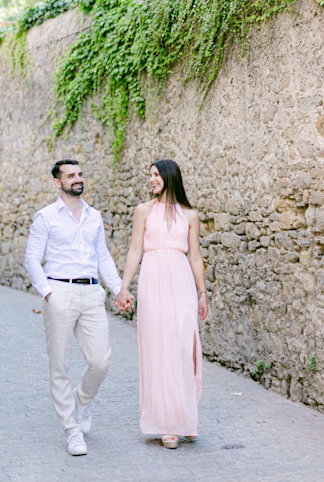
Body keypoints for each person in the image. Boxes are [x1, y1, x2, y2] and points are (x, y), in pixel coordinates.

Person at [25, 159, 133, 456]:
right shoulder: (46, 217)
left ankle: (83, 398)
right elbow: (32, 258)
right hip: (58, 290)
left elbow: (103, 257)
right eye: (70, 175)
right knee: (59, 365)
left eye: (80, 174)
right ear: (57, 182)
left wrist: (119, 288)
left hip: (91, 292)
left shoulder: (94, 216)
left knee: (101, 361)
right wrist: (48, 293)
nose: (77, 179)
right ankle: (72, 430)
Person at [116, 159, 208, 449]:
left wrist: (202, 293)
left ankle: (185, 419)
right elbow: (134, 250)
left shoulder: (190, 215)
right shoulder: (143, 211)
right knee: (159, 349)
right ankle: (167, 425)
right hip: (153, 281)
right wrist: (124, 286)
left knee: (184, 346)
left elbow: (195, 256)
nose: (152, 179)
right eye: (150, 175)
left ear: (170, 177)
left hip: (181, 283)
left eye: (156, 175)